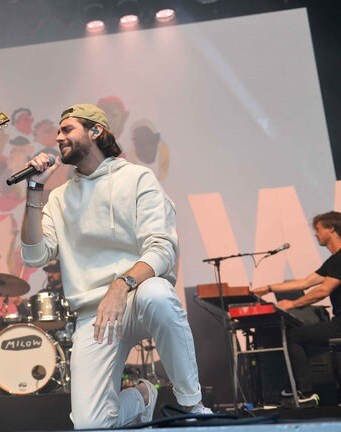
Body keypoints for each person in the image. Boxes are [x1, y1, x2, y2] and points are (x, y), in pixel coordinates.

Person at [19, 104, 209, 429]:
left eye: (67, 129)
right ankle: (142, 397)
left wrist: (122, 285)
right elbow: (34, 255)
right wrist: (35, 190)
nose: (58, 136)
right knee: (89, 426)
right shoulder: (60, 198)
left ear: (96, 131)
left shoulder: (137, 178)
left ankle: (193, 405)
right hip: (95, 314)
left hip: (137, 294)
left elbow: (162, 248)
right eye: (58, 131)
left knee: (159, 296)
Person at [251, 211, 341, 404]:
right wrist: (268, 288)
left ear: (331, 229)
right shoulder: (337, 260)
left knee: (295, 336)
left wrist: (293, 304)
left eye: (318, 229)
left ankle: (305, 393)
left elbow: (323, 291)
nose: (315, 234)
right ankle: (305, 391)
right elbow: (304, 283)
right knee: (297, 335)